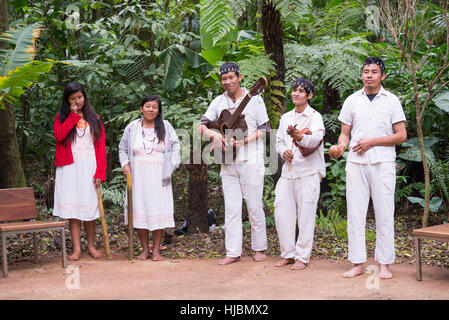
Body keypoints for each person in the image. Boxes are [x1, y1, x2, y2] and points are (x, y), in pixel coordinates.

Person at [329, 56, 407, 279]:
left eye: (374, 71)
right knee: (355, 213)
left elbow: (401, 135)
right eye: (366, 71)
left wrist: (371, 142)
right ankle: (357, 262)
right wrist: (340, 147)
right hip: (355, 163)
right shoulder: (352, 100)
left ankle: (384, 263)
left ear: (382, 75)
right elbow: (345, 134)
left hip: (383, 163)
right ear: (361, 75)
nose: (369, 75)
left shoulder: (391, 100)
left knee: (384, 213)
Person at [198, 62, 270, 265]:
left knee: (254, 206)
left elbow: (265, 128)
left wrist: (243, 141)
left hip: (251, 160)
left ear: (239, 77)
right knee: (231, 208)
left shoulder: (254, 99)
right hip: (227, 162)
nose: (227, 82)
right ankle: (232, 251)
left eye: (231, 77)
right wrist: (213, 135)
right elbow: (201, 125)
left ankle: (259, 248)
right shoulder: (218, 102)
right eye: (224, 79)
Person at [119, 95, 180, 261]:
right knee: (140, 211)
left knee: (157, 211)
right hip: (138, 177)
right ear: (141, 108)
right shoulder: (132, 128)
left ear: (158, 110)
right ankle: (145, 249)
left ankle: (156, 251)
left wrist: (171, 166)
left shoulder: (166, 127)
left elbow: (176, 148)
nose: (150, 109)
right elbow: (122, 149)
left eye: (154, 107)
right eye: (147, 106)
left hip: (160, 178)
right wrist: (125, 164)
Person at [274, 77, 325, 270]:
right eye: (294, 90)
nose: (296, 93)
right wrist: (282, 151)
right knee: (281, 211)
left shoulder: (315, 117)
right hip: (288, 172)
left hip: (308, 172)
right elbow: (279, 141)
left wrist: (299, 137)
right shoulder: (286, 117)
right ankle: (287, 253)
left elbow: (317, 139)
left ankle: (302, 257)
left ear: (309, 95)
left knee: (306, 215)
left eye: (301, 91)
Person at [53, 82, 106, 261]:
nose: (77, 101)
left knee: (89, 209)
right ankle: (76, 248)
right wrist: (73, 116)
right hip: (69, 168)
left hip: (89, 168)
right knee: (74, 211)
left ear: (85, 96)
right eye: (73, 99)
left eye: (79, 97)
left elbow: (100, 148)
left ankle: (91, 246)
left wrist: (100, 173)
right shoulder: (61, 117)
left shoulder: (95, 118)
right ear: (67, 101)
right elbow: (59, 136)